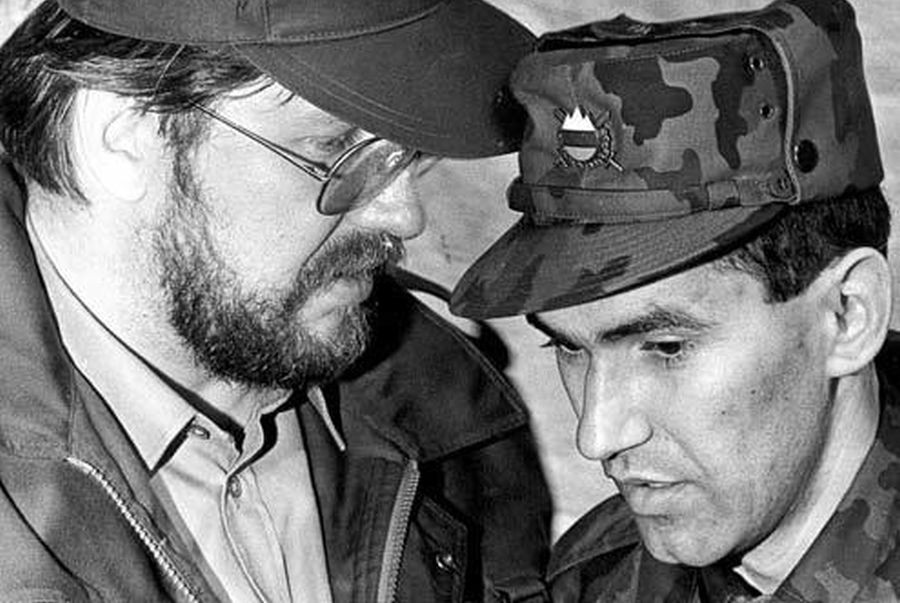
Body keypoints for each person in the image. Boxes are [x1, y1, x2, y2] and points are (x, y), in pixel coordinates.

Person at [0, 1, 553, 601]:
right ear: (122, 138)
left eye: (407, 156)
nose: (403, 216)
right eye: (335, 151)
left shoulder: (446, 421)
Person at [450, 0, 899, 600]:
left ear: (848, 315)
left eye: (666, 347)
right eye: (569, 349)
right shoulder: (595, 578)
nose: (598, 436)